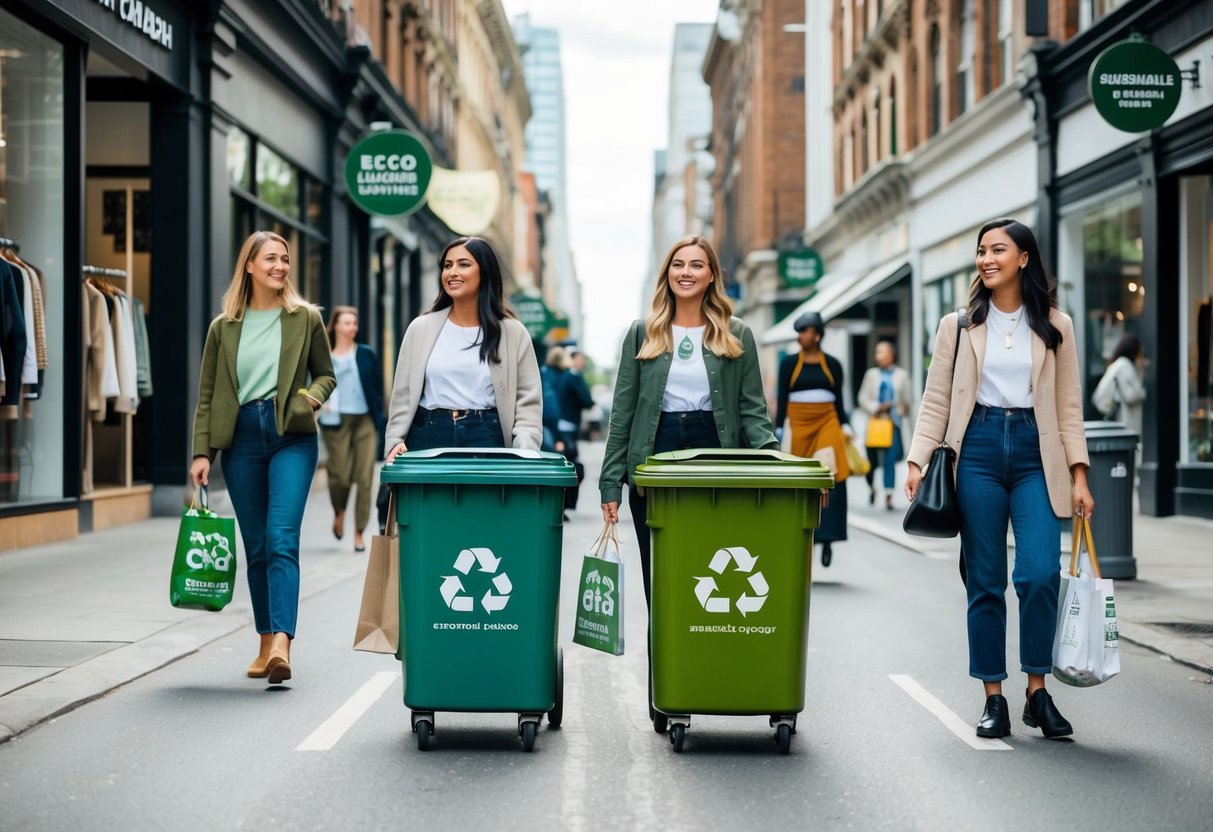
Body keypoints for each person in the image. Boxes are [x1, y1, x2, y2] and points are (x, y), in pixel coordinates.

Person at [906, 218, 1094, 740]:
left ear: (1024, 258)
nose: (986, 259)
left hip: (1038, 453)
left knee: (1038, 574)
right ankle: (994, 696)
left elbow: (1069, 405)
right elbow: (937, 398)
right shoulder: (958, 325)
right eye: (982, 251)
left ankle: (1037, 689)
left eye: (998, 250)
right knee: (984, 580)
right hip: (979, 451)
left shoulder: (1057, 325)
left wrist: (1079, 474)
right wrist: (918, 459)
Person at [599, 235, 777, 723]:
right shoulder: (643, 334)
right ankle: (667, 690)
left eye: (697, 264)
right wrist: (610, 482)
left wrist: (772, 461)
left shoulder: (735, 333)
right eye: (678, 264)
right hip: (654, 460)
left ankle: (713, 675)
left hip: (715, 458)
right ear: (667, 275)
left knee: (711, 573)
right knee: (661, 584)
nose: (686, 271)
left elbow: (752, 411)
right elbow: (623, 412)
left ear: (711, 276)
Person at [189, 230, 335, 685]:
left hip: (290, 436)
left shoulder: (305, 318)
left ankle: (282, 644)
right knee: (255, 547)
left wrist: (309, 400)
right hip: (241, 442)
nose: (281, 266)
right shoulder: (223, 326)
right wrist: (201, 452)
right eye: (271, 258)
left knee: (281, 538)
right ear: (248, 265)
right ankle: (263, 639)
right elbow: (208, 394)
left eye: (285, 259)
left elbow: (326, 375)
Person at [383, 237, 541, 461]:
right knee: (428, 498)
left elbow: (528, 402)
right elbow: (402, 395)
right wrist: (394, 443)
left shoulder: (512, 333)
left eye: (464, 264)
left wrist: (525, 449)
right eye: (448, 265)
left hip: (487, 437)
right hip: (427, 435)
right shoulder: (421, 328)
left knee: (483, 498)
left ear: (484, 272)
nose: (452, 272)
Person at [774, 311, 850, 567]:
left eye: (804, 331)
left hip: (827, 422)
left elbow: (839, 399)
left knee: (829, 474)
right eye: (798, 331)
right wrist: (778, 429)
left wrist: (846, 424)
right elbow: (782, 398)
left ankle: (827, 537)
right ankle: (809, 537)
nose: (800, 336)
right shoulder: (788, 364)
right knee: (803, 481)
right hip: (798, 425)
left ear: (816, 334)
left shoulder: (834, 365)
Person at [319, 306, 386, 553]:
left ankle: (359, 532)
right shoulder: (324, 356)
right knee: (340, 475)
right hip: (336, 420)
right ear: (336, 326)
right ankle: (339, 511)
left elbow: (377, 388)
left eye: (354, 323)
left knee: (365, 478)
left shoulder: (366, 354)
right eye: (347, 323)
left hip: (365, 420)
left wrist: (381, 417)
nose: (352, 328)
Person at [857, 339, 915, 511]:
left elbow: (908, 401)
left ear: (891, 355)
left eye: (881, 352)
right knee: (872, 461)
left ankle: (889, 495)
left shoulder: (902, 375)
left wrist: (900, 408)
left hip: (893, 423)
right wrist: (876, 407)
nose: (878, 356)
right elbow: (862, 398)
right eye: (876, 352)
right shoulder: (871, 375)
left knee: (890, 459)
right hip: (875, 423)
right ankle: (871, 486)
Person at [552, 346, 594, 514]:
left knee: (567, 466)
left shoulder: (561, 377)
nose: (582, 362)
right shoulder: (572, 377)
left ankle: (562, 506)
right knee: (572, 468)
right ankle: (563, 506)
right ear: (572, 359)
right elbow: (587, 400)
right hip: (568, 427)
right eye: (579, 358)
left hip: (562, 426)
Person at [1092, 333, 1145, 438]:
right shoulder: (1124, 365)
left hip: (1120, 422)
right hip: (1125, 422)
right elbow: (1129, 396)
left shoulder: (1118, 364)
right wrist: (1142, 392)